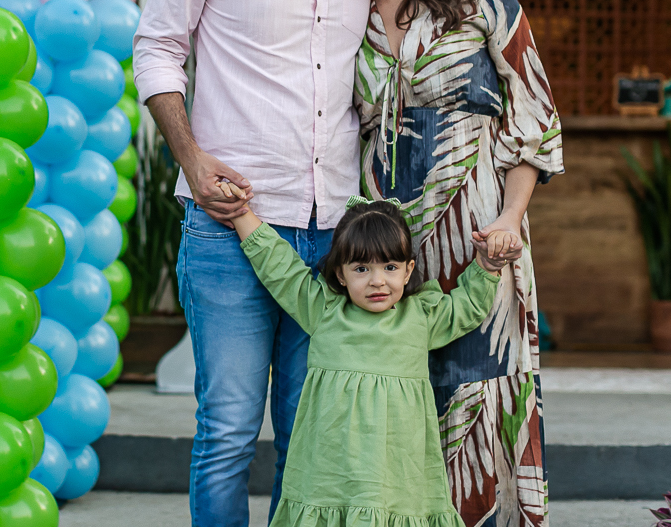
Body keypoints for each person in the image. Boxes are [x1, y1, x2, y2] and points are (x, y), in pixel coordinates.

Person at [133, 0, 394, 526]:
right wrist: (190, 158)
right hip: (230, 229)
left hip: (333, 238)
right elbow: (157, 45)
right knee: (227, 432)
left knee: (306, 437)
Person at [351, 0, 564, 526]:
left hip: (479, 244)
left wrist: (509, 219)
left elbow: (534, 116)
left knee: (479, 404)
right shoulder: (337, 4)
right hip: (382, 256)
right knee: (391, 410)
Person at [214, 186, 511, 526]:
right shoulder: (324, 310)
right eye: (361, 269)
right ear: (340, 274)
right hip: (331, 472)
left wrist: (488, 265)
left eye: (390, 266)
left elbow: (467, 307)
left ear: (408, 270)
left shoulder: (420, 317)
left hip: (396, 471)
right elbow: (279, 268)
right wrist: (241, 214)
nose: (377, 281)